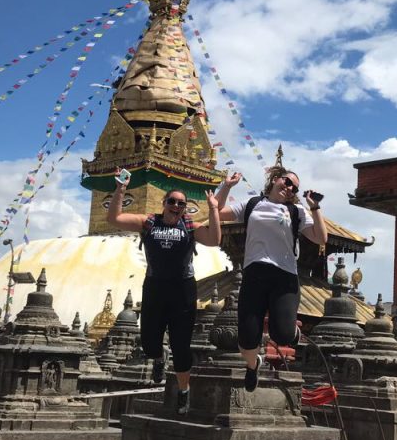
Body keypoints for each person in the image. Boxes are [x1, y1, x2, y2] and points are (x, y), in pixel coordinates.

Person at [107, 173, 221, 415]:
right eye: (173, 202)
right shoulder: (149, 222)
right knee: (149, 341)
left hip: (183, 288)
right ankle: (158, 358)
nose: (177, 206)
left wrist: (213, 210)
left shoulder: (189, 225)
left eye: (182, 204)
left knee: (181, 345)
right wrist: (120, 189)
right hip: (155, 286)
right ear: (164, 204)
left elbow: (214, 239)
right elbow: (114, 218)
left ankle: (183, 391)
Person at [218, 166, 328, 391]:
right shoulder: (252, 204)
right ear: (276, 179)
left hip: (284, 275)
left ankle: (293, 331)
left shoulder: (296, 211)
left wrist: (314, 208)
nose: (289, 188)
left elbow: (320, 237)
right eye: (287, 182)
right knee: (247, 338)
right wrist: (227, 186)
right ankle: (252, 365)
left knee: (283, 335)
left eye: (294, 187)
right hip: (254, 273)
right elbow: (217, 211)